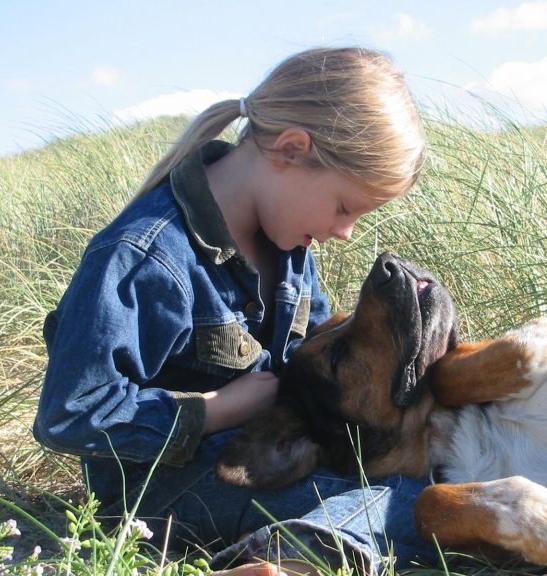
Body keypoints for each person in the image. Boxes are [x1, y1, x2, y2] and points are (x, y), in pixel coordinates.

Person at [33, 46, 436, 575]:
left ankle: (293, 553)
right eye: (345, 207)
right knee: (407, 505)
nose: (344, 233)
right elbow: (70, 413)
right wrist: (219, 409)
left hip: (264, 453)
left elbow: (308, 354)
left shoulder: (289, 246)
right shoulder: (145, 256)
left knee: (427, 484)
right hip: (155, 491)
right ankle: (296, 560)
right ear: (291, 150)